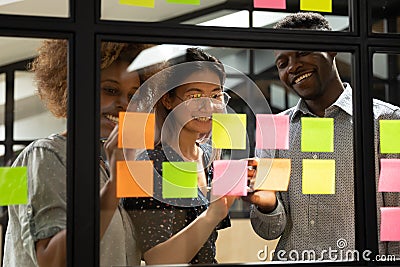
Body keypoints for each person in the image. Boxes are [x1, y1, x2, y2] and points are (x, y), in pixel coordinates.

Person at [245, 12, 400, 261]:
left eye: (303, 52)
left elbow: (397, 209)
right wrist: (267, 205)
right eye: (282, 63)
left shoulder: (386, 121)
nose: (293, 66)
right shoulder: (273, 129)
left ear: (332, 49)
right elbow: (269, 230)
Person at [3, 40, 151, 267]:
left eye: (134, 96)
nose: (125, 104)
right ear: (73, 89)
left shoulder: (108, 161)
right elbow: (53, 260)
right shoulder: (44, 155)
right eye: (110, 90)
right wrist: (116, 184)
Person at [122, 47, 235, 265]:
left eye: (215, 95)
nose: (208, 106)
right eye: (194, 96)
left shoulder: (207, 157)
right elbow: (157, 259)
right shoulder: (153, 164)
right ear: (168, 100)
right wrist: (212, 214)